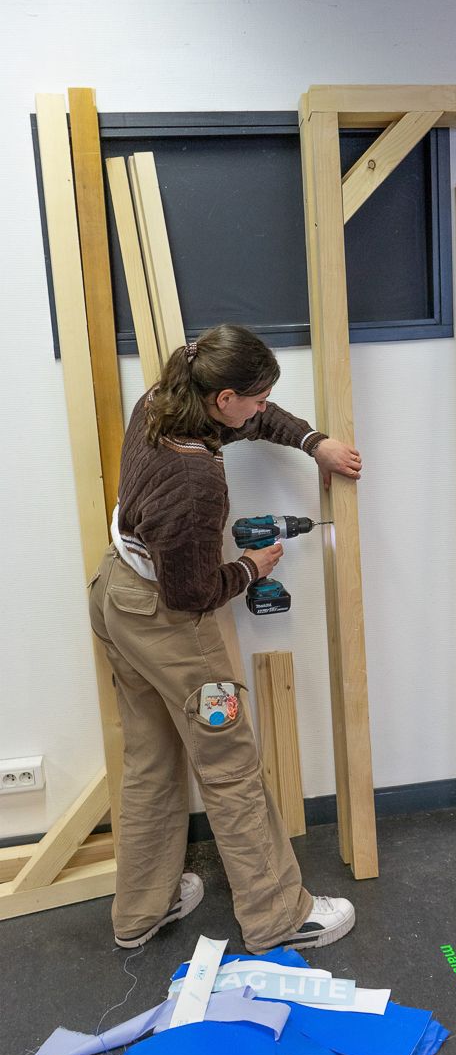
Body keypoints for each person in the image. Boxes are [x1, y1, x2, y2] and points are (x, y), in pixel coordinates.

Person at [88, 323, 363, 954]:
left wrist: (313, 442)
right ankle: (278, 917)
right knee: (230, 767)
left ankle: (142, 909)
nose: (263, 410)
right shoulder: (195, 481)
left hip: (117, 593)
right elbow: (190, 594)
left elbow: (255, 422)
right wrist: (248, 569)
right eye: (257, 399)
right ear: (224, 398)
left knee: (150, 760)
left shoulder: (165, 398)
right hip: (167, 621)